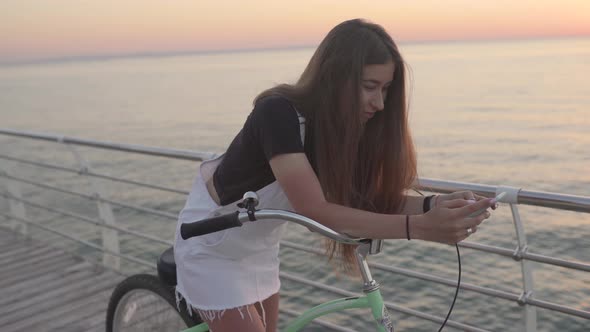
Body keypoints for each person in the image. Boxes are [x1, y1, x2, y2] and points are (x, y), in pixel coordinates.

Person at [173, 18, 496, 332]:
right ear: (335, 77)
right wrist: (420, 228)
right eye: (370, 87)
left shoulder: (339, 129)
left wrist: (433, 204)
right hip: (210, 245)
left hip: (258, 248)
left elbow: (367, 201)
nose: (380, 103)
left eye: (385, 89)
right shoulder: (277, 113)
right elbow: (313, 208)